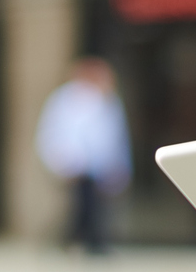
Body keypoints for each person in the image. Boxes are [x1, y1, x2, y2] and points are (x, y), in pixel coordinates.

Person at [35, 56, 130, 255]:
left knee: (96, 209)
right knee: (80, 208)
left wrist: (120, 167)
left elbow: (115, 137)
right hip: (76, 165)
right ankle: (73, 242)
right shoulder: (66, 99)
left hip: (101, 167)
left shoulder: (108, 100)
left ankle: (90, 243)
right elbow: (54, 132)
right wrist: (61, 161)